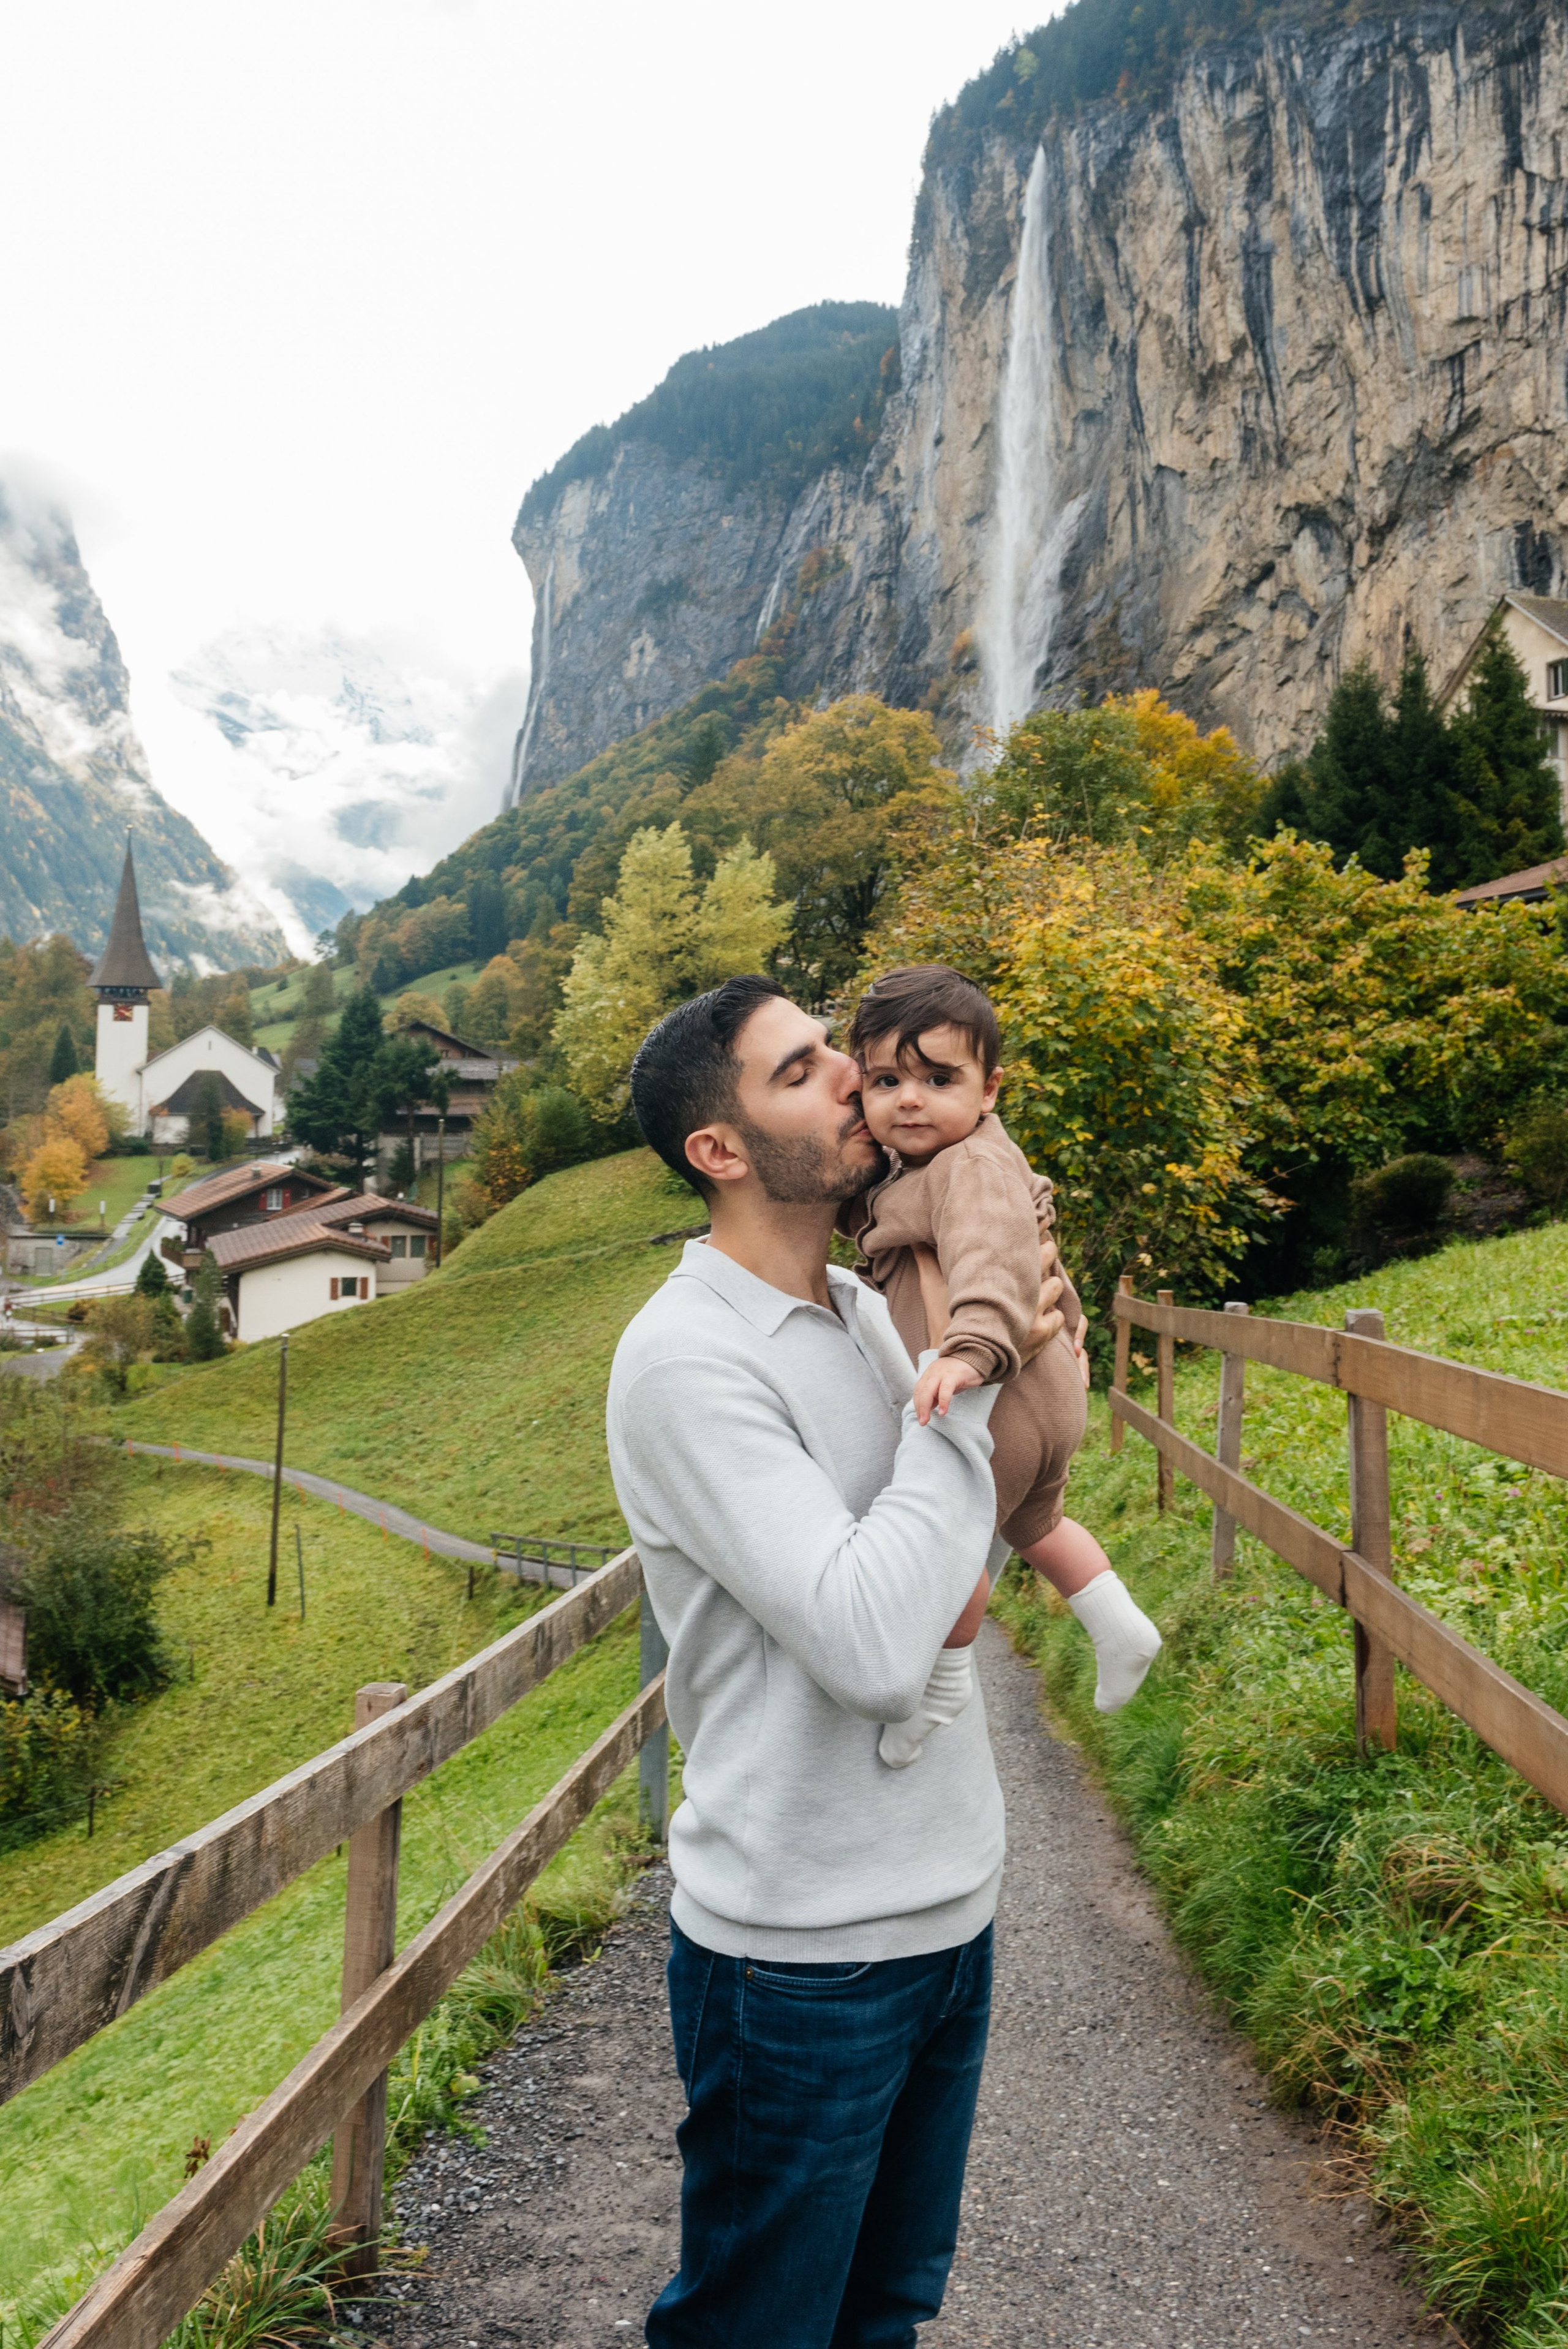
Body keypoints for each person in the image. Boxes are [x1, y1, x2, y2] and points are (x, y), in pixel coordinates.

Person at [607, 973, 1065, 2349]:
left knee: (883, 2318)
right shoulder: (685, 1361)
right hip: (803, 1959)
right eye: (802, 1069)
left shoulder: (869, 1312)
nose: (854, 1082)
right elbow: (875, 1642)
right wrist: (979, 1373)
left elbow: (954, 1593)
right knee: (759, 2328)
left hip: (946, 1912)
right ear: (722, 1151)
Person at [844, 963, 1161, 1766]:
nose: (909, 1098)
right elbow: (1034, 1256)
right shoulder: (944, 1161)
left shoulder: (969, 1167)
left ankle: (945, 1677)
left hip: (1001, 1390)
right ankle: (1119, 1623)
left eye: (938, 1078)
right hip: (1045, 1384)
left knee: (956, 1539)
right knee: (1038, 1524)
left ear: (989, 1089)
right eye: (885, 1079)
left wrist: (970, 1350)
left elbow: (993, 1264)